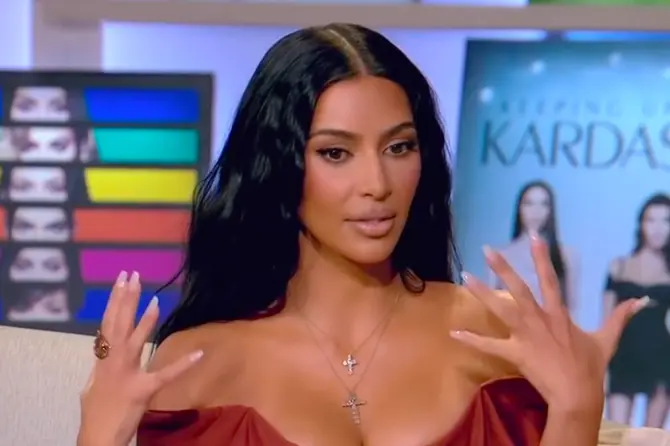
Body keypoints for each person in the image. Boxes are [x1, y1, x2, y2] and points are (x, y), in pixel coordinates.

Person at [77, 24, 643, 446]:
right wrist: (98, 437)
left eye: (399, 147)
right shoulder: (199, 360)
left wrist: (576, 409)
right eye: (335, 153)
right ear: (278, 165)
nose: (377, 184)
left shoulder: (497, 332)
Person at [604, 193, 670, 428]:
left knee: (651, 438)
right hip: (623, 358)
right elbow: (607, 323)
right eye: (651, 220)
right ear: (641, 224)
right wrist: (601, 366)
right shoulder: (619, 267)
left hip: (662, 360)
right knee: (617, 436)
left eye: (666, 220)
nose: (658, 228)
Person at [490, 181, 579, 312]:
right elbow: (491, 306)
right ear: (519, 208)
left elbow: (572, 310)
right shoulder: (499, 255)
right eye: (529, 203)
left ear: (550, 210)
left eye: (543, 204)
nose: (536, 211)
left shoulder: (568, 255)